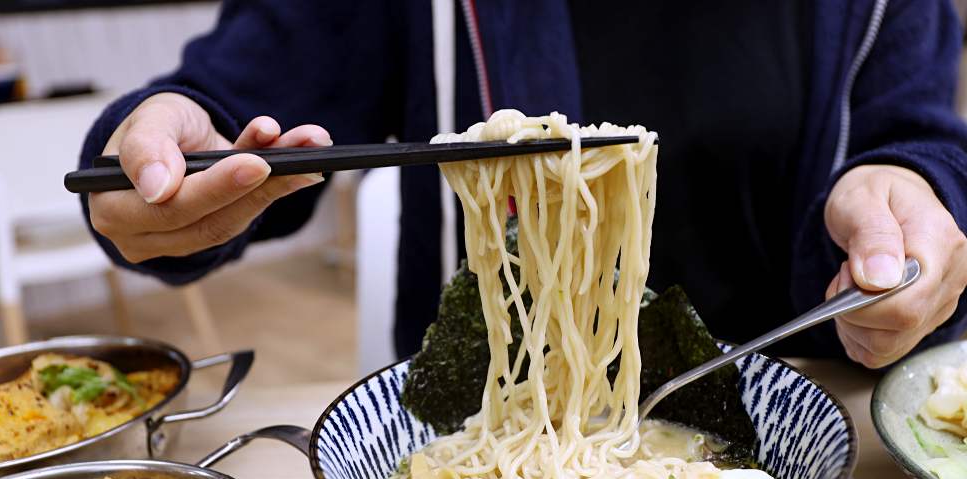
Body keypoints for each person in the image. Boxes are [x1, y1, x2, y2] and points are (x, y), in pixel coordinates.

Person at [80, 1, 967, 368]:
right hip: (480, 435)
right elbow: (239, 105)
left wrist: (914, 196)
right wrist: (170, 149)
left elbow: (918, 141)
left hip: (805, 439)